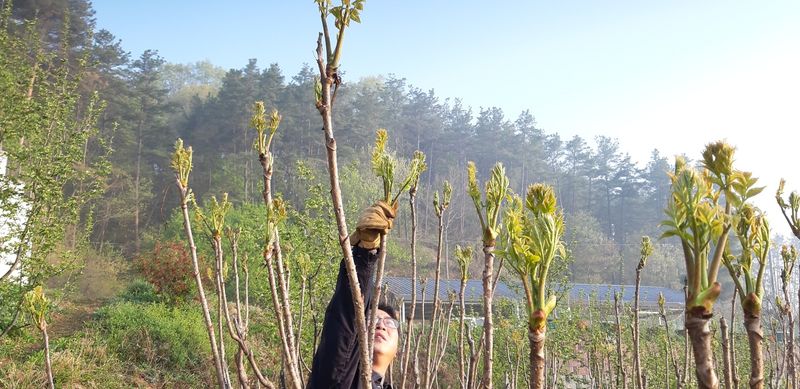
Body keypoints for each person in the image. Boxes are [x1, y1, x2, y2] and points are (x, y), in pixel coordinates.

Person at [307, 201, 401, 389]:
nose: (381, 326)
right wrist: (364, 254)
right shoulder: (337, 376)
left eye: (389, 323)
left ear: (397, 350)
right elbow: (343, 327)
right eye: (373, 321)